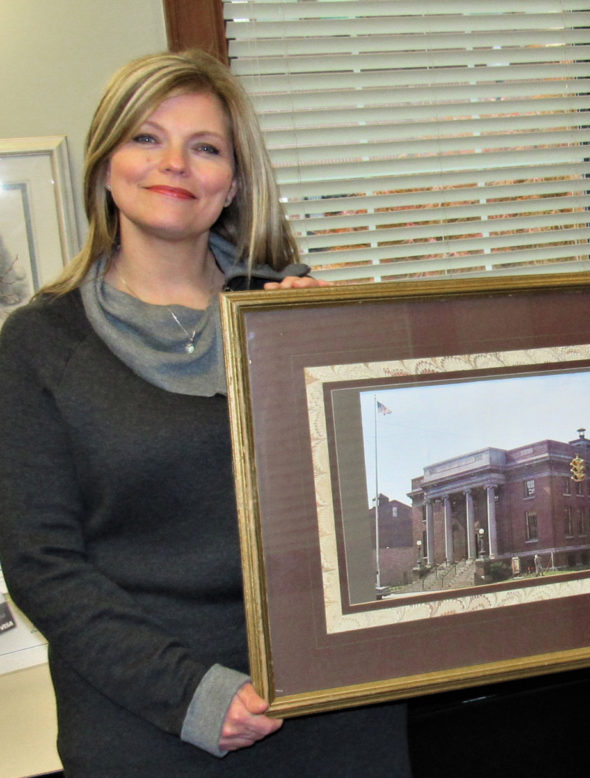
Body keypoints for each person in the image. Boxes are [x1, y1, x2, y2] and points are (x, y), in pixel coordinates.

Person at [0, 50, 411, 776]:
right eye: (146, 138)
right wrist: (191, 694)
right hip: (150, 720)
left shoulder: (295, 311)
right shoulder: (40, 343)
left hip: (336, 704)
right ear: (104, 165)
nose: (175, 165)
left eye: (206, 148)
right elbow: (42, 564)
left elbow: (390, 483)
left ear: (234, 182)